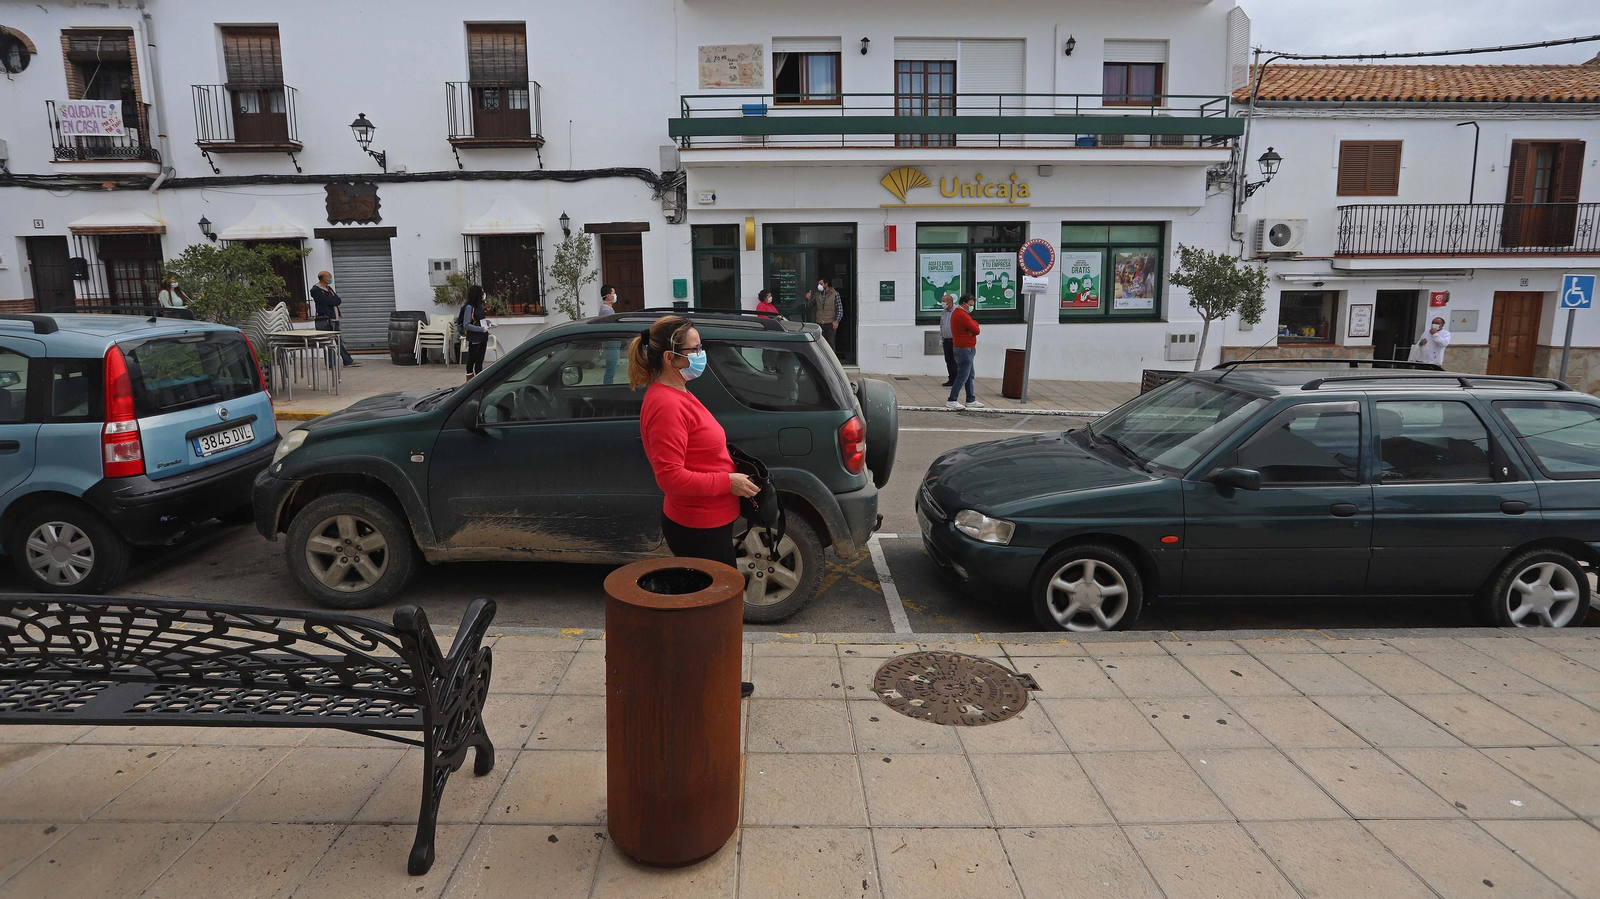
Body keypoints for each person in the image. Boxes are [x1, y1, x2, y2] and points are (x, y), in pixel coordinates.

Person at [631, 315, 761, 698]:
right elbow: (669, 477)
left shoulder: (681, 391)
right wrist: (728, 481)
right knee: (715, 612)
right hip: (697, 526)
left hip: (711, 520)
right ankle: (710, 686)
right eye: (696, 349)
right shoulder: (666, 403)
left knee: (714, 609)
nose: (703, 354)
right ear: (672, 358)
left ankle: (712, 678)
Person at [309, 271, 357, 367]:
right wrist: (333, 301)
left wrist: (333, 301)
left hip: (335, 318)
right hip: (326, 319)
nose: (330, 278)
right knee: (328, 341)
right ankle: (330, 363)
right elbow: (326, 301)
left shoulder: (328, 288)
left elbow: (337, 300)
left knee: (339, 340)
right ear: (323, 278)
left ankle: (347, 361)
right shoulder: (316, 290)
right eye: (329, 277)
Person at [947, 294, 981, 410]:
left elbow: (973, 329)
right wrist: (975, 324)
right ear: (963, 303)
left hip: (965, 348)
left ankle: (970, 399)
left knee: (969, 375)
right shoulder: (962, 315)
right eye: (970, 305)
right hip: (964, 349)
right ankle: (952, 399)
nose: (972, 307)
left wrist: (972, 326)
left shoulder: (959, 313)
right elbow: (976, 330)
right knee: (962, 376)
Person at [458, 285, 489, 380]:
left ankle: (479, 381)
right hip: (475, 338)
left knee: (480, 361)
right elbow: (466, 324)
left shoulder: (479, 306)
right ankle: (470, 381)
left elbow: (480, 320)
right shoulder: (469, 307)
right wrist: (481, 329)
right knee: (472, 361)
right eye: (482, 292)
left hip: (483, 337)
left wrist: (488, 324)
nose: (483, 295)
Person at [807, 278, 843, 349]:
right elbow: (809, 306)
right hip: (819, 323)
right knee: (820, 345)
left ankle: (830, 360)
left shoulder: (835, 294)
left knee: (830, 345)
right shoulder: (817, 295)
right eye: (818, 284)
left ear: (826, 284)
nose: (819, 286)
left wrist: (836, 321)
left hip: (830, 323)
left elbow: (840, 309)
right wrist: (808, 299)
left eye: (821, 284)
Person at [599, 284, 621, 383]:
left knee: (611, 371)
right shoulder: (607, 311)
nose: (615, 295)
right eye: (614, 293)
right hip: (611, 345)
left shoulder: (607, 309)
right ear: (608, 296)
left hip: (612, 345)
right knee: (610, 372)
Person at [938, 293, 958, 387]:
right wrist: (941, 338)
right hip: (946, 340)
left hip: (955, 340)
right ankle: (951, 379)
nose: (942, 303)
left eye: (944, 301)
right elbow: (942, 326)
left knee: (956, 361)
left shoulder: (957, 311)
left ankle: (958, 380)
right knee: (949, 360)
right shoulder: (944, 312)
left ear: (949, 302)